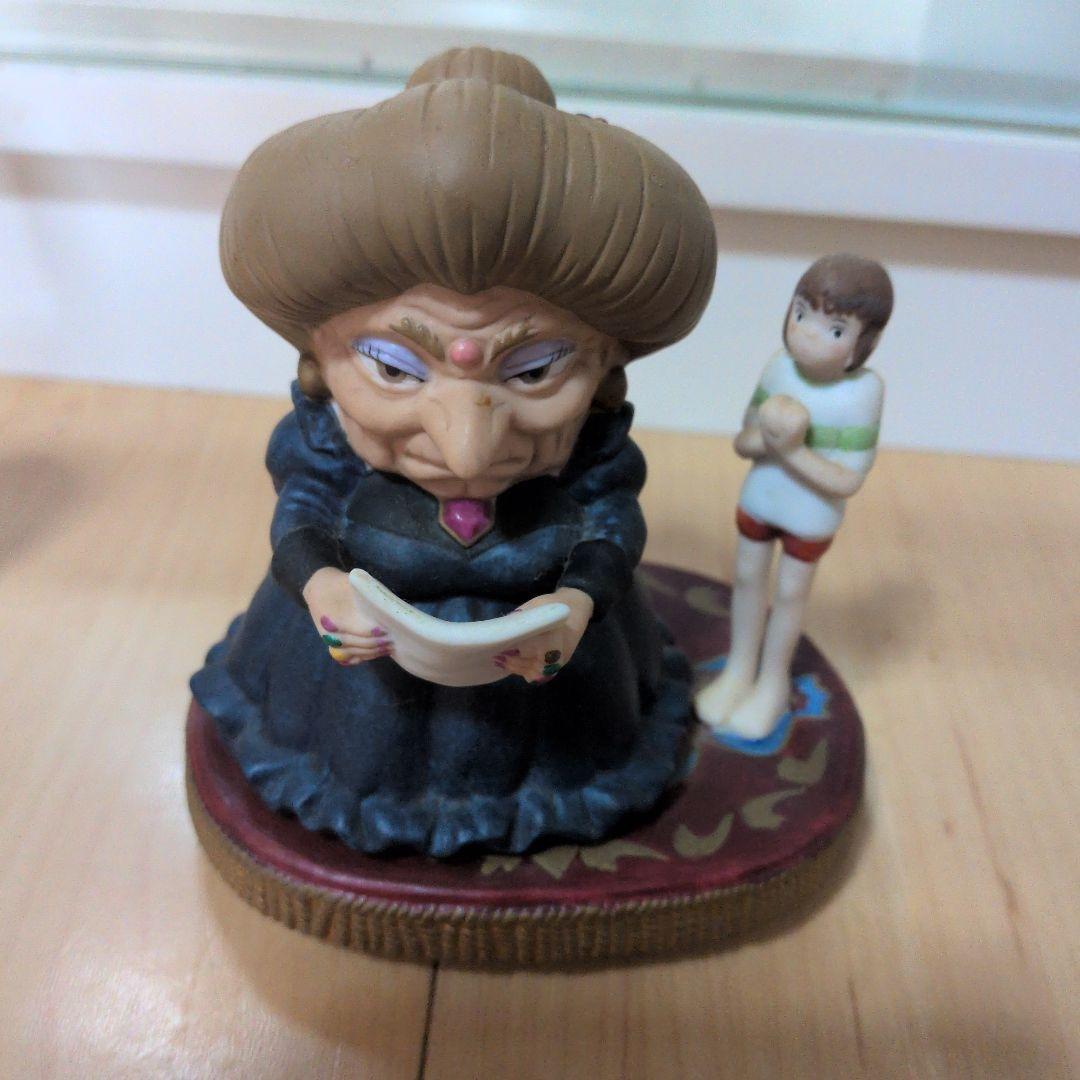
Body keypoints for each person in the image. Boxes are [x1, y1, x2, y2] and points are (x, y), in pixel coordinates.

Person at [190, 47, 717, 857]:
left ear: (604, 366)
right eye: (394, 368)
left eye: (535, 371)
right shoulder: (330, 448)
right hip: (360, 678)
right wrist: (323, 585)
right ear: (319, 358)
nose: (466, 447)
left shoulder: (586, 458)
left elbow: (609, 526)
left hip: (551, 688)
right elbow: (304, 513)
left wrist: (578, 605)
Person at [695, 255, 893, 742]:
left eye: (835, 329)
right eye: (802, 313)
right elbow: (743, 442)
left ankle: (772, 682)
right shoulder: (778, 369)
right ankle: (739, 669)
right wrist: (769, 437)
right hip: (761, 498)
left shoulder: (862, 393)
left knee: (789, 594)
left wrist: (792, 450)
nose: (807, 334)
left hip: (810, 514)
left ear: (865, 342)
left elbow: (847, 479)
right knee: (746, 578)